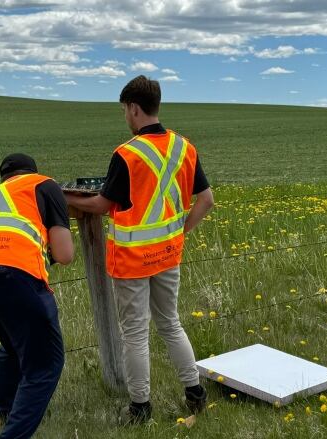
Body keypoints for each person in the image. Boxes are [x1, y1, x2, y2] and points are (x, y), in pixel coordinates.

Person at [65, 75, 215, 424]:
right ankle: (194, 393)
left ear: (133, 108)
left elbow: (103, 205)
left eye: (125, 112)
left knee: (135, 333)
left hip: (133, 260)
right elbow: (206, 200)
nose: (126, 118)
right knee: (170, 324)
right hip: (167, 254)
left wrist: (66, 197)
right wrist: (179, 231)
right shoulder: (184, 148)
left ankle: (140, 407)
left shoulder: (127, 154)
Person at [0, 153, 74, 439]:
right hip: (14, 273)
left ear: (4, 179)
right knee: (45, 365)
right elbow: (65, 254)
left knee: (12, 343)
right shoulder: (45, 185)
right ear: (33, 171)